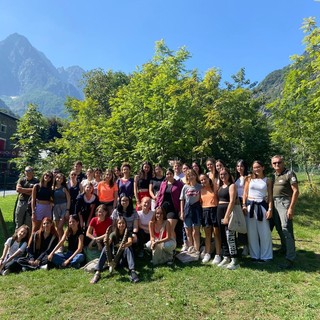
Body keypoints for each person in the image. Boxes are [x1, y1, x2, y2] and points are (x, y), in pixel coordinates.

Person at [90, 217, 139, 284]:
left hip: (122, 259)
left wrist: (124, 245)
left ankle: (132, 271)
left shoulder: (128, 233)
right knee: (105, 248)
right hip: (113, 259)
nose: (121, 225)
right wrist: (106, 241)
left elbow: (130, 242)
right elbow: (109, 241)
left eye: (123, 223)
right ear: (117, 224)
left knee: (128, 248)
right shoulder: (113, 234)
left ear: (125, 224)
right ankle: (98, 272)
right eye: (119, 223)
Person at [271, 155, 299, 269]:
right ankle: (284, 248)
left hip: (284, 203)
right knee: (279, 228)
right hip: (274, 203)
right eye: (274, 163)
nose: (277, 165)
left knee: (286, 229)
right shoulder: (273, 176)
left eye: (279, 162)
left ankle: (290, 258)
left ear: (283, 162)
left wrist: (291, 208)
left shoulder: (289, 174)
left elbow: (296, 191)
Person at [242, 161, 273, 262]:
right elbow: (245, 194)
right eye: (254, 167)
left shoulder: (267, 180)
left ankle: (266, 256)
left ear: (263, 167)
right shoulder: (249, 179)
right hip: (250, 207)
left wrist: (270, 209)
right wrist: (244, 205)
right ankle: (254, 255)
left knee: (264, 232)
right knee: (252, 233)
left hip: (262, 207)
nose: (256, 169)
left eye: (258, 167)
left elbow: (270, 197)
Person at [216, 168, 239, 270]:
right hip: (219, 211)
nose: (223, 176)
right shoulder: (221, 187)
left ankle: (234, 260)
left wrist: (226, 216)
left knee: (230, 235)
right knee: (222, 235)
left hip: (227, 211)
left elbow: (232, 201)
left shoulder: (232, 186)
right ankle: (226, 256)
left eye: (225, 174)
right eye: (221, 174)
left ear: (229, 174)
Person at [156, 168, 184, 245]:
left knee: (171, 229)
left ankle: (173, 245)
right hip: (163, 208)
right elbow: (159, 196)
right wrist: (157, 206)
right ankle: (165, 244)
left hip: (173, 208)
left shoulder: (179, 184)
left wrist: (181, 210)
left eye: (170, 174)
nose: (169, 175)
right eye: (167, 174)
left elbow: (182, 197)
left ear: (173, 174)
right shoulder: (163, 183)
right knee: (164, 228)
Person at [180, 169, 202, 258]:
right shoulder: (185, 187)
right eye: (189, 176)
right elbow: (182, 200)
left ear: (196, 175)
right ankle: (190, 247)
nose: (191, 177)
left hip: (196, 210)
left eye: (192, 175)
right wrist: (182, 212)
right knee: (188, 230)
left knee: (195, 231)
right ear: (187, 177)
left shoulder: (200, 186)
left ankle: (197, 250)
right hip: (187, 210)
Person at [199, 174, 221, 264]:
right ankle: (207, 253)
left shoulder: (215, 188)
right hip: (205, 211)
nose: (203, 181)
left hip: (214, 210)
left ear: (208, 179)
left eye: (205, 179)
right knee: (207, 234)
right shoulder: (201, 190)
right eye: (201, 180)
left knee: (216, 234)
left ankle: (218, 254)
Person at [235, 159, 249, 256]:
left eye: (241, 166)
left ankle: (246, 247)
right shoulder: (237, 178)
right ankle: (242, 244)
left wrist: (244, 204)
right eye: (238, 166)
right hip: (237, 202)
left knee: (245, 224)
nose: (239, 168)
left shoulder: (248, 177)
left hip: (245, 202)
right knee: (239, 224)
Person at [52, 173, 71, 240]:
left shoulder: (64, 189)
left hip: (63, 207)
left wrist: (67, 210)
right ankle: (61, 243)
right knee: (58, 227)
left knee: (60, 227)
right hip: (55, 208)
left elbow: (68, 200)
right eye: (57, 177)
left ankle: (64, 239)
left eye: (61, 178)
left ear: (63, 180)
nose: (59, 179)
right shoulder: (53, 188)